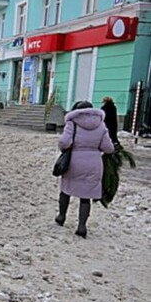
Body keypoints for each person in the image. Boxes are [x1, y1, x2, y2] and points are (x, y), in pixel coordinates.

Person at [55, 100, 114, 238]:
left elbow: (64, 142)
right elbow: (108, 148)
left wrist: (66, 148)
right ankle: (82, 226)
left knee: (66, 189)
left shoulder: (73, 122)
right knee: (86, 196)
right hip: (94, 163)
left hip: (74, 161)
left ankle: (61, 216)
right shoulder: (101, 124)